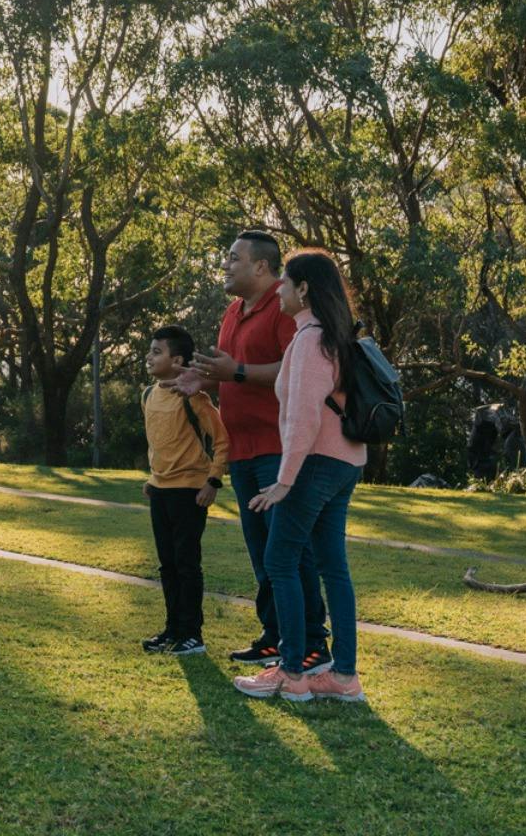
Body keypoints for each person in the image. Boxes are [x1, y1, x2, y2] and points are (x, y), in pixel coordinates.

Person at [173, 231, 331, 672]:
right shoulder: (232, 311)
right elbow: (229, 373)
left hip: (277, 449)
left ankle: (313, 643)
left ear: (261, 266)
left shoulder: (286, 305)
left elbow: (295, 368)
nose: (225, 265)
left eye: (233, 258)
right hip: (241, 450)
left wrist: (236, 372)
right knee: (263, 552)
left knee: (290, 552)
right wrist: (202, 380)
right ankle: (275, 636)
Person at [234, 250, 368, 703]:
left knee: (280, 560)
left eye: (286, 283)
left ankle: (291, 673)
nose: (279, 291)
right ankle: (343, 677)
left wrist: (285, 480)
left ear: (304, 289)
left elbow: (303, 418)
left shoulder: (310, 340)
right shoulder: (334, 336)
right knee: (333, 567)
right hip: (346, 462)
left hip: (316, 463)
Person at [140, 325, 229, 657]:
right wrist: (153, 478)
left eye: (157, 352)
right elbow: (160, 443)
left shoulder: (195, 398)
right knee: (167, 565)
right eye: (150, 351)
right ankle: (172, 629)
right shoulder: (148, 395)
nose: (149, 357)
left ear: (177, 361)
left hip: (190, 493)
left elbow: (222, 441)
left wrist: (213, 481)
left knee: (186, 564)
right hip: (160, 492)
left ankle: (192, 634)